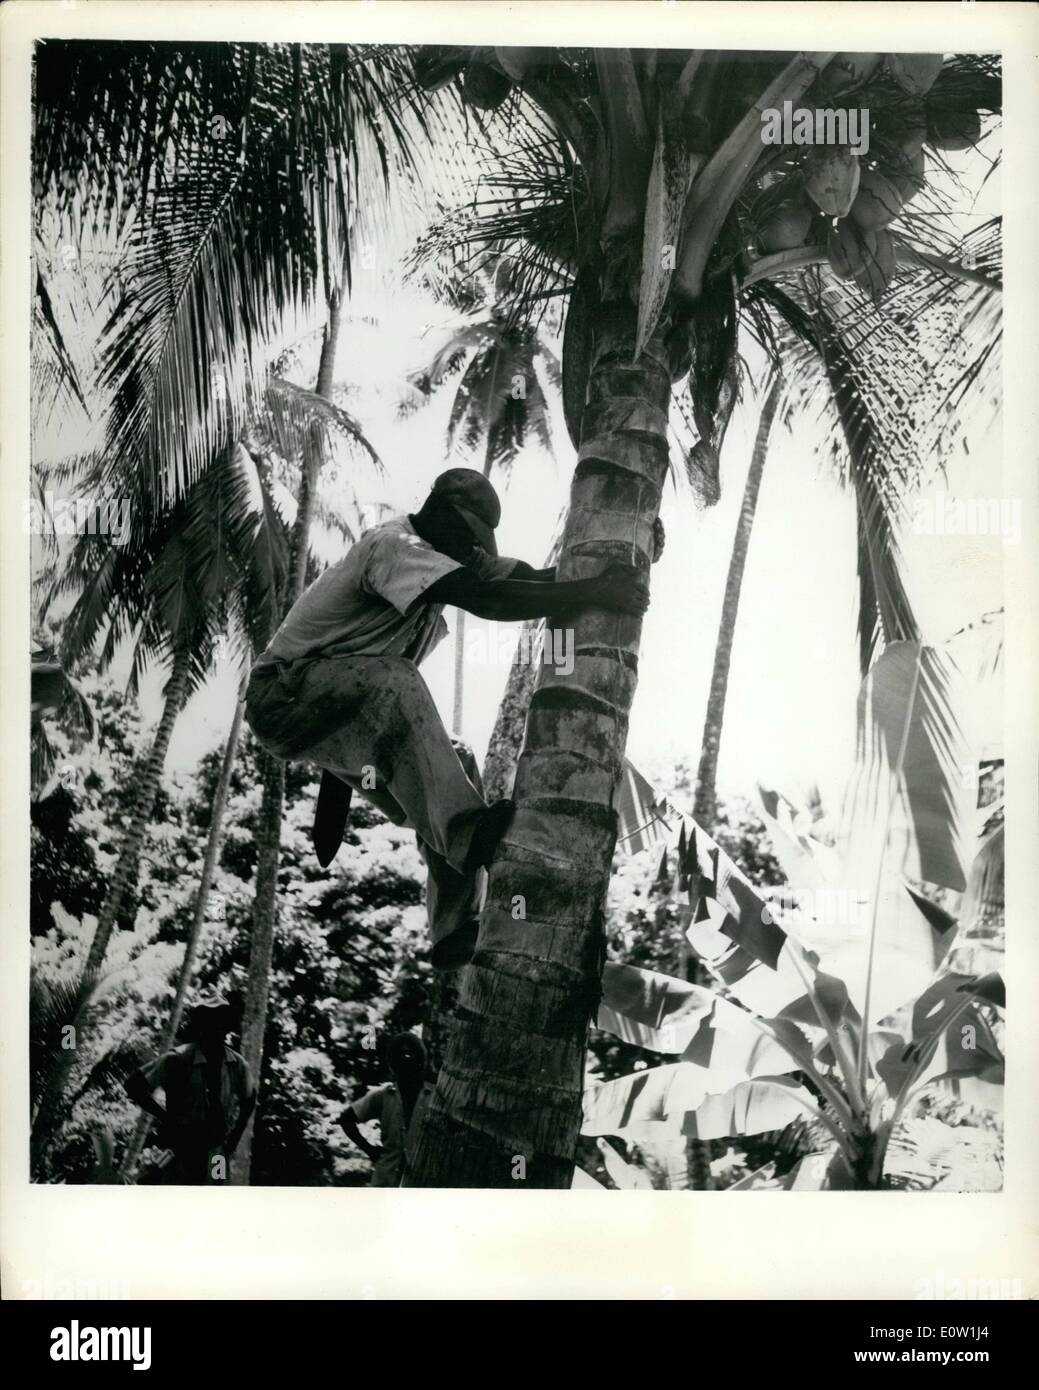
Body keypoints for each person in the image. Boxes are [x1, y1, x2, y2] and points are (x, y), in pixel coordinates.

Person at [245, 467, 652, 969]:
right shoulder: (394, 547)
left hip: (334, 707)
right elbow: (489, 598)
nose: (472, 551)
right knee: (398, 683)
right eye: (467, 537)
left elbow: (523, 580)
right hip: (281, 697)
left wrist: (623, 560)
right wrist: (594, 592)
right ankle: (470, 834)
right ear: (440, 514)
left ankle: (454, 928)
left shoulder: (446, 556)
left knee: (455, 759)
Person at [125, 1000, 256, 1185]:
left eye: (221, 1022)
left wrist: (234, 1137)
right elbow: (134, 1085)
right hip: (179, 1150)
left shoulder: (237, 1064)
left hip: (216, 1153)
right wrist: (166, 1116)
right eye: (209, 1021)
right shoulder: (178, 1058)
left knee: (214, 1200)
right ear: (201, 1025)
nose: (216, 1028)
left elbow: (250, 1097)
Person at [339, 1033, 435, 1187]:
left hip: (423, 1183)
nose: (406, 1060)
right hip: (385, 1180)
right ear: (393, 1061)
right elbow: (346, 1119)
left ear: (420, 1060)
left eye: (411, 1054)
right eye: (401, 1055)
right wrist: (369, 1149)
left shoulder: (435, 1097)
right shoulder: (384, 1095)